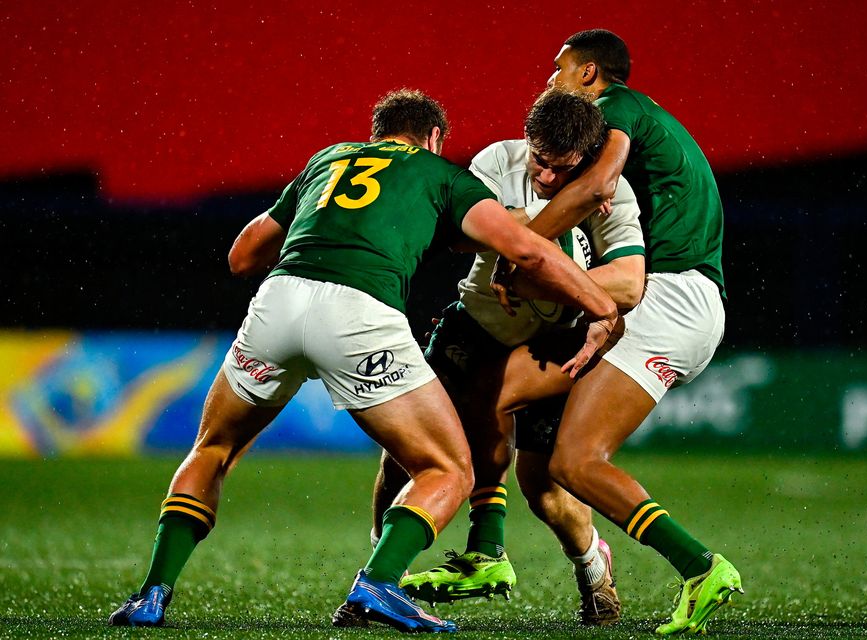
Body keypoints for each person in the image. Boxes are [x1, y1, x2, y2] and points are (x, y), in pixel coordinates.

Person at [106, 89, 619, 633]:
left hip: (279, 299)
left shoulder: (328, 159)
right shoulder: (442, 175)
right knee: (448, 468)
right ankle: (377, 584)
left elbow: (241, 256)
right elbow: (529, 251)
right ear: (434, 138)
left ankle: (151, 596)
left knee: (213, 448)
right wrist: (602, 306)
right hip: (358, 312)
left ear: (376, 133)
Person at [484, 29, 744, 636]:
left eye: (559, 69)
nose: (550, 79)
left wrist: (523, 252)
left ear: (591, 74)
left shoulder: (618, 107)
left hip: (669, 299)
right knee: (519, 433)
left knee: (576, 461)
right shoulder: (631, 127)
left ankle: (701, 567)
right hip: (682, 301)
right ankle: (495, 549)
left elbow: (598, 186)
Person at [364, 88, 646, 627]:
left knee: (543, 488)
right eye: (538, 160)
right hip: (476, 323)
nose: (543, 175)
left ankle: (592, 568)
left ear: (588, 159)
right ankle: (381, 571)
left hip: (556, 343)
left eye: (560, 170)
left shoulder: (618, 195)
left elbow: (630, 285)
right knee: (402, 448)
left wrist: (546, 275)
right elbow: (460, 236)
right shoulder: (497, 160)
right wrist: (546, 218)